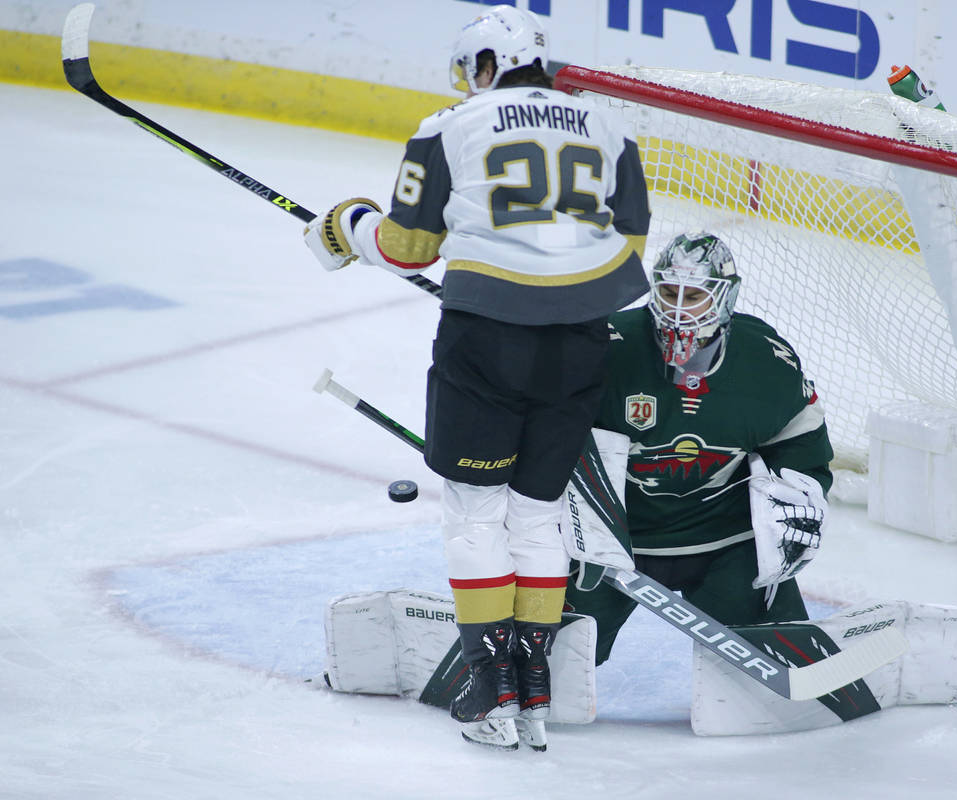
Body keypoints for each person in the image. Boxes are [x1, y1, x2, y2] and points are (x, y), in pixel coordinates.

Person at [303, 4, 651, 751]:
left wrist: (346, 229)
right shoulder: (612, 130)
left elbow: (407, 245)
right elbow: (628, 246)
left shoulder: (447, 128)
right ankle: (533, 682)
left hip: (486, 343)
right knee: (536, 515)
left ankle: (486, 680)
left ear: (487, 64)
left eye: (472, 71)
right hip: (582, 344)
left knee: (473, 514)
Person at [565, 232, 834, 665]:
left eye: (695, 294)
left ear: (726, 297)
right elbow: (547, 432)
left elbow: (800, 441)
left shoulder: (763, 359)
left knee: (778, 663)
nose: (677, 307)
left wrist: (800, 493)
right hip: (612, 543)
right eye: (670, 291)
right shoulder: (605, 347)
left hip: (724, 541)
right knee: (556, 665)